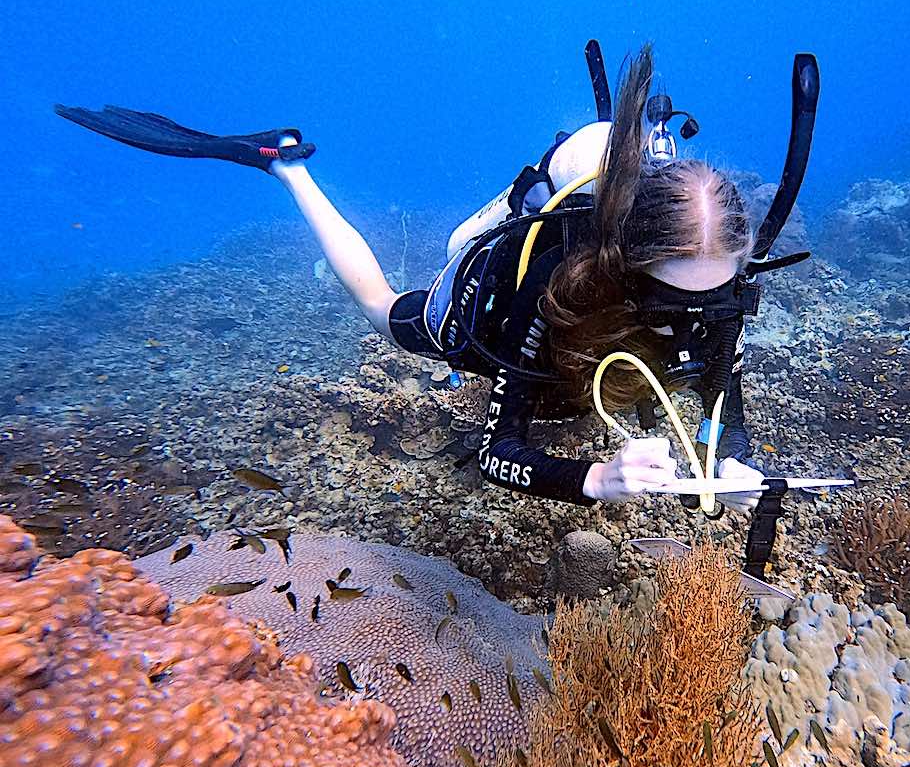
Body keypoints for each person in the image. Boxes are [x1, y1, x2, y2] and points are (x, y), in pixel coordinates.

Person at [55, 41, 819, 515]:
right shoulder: (556, 286)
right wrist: (594, 480)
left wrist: (731, 461)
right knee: (382, 307)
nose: (694, 322)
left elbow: (725, 399)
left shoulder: (718, 291)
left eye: (719, 298)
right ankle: (283, 166)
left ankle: (605, 154)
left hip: (618, 241)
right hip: (490, 299)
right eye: (670, 301)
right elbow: (499, 453)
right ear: (626, 269)